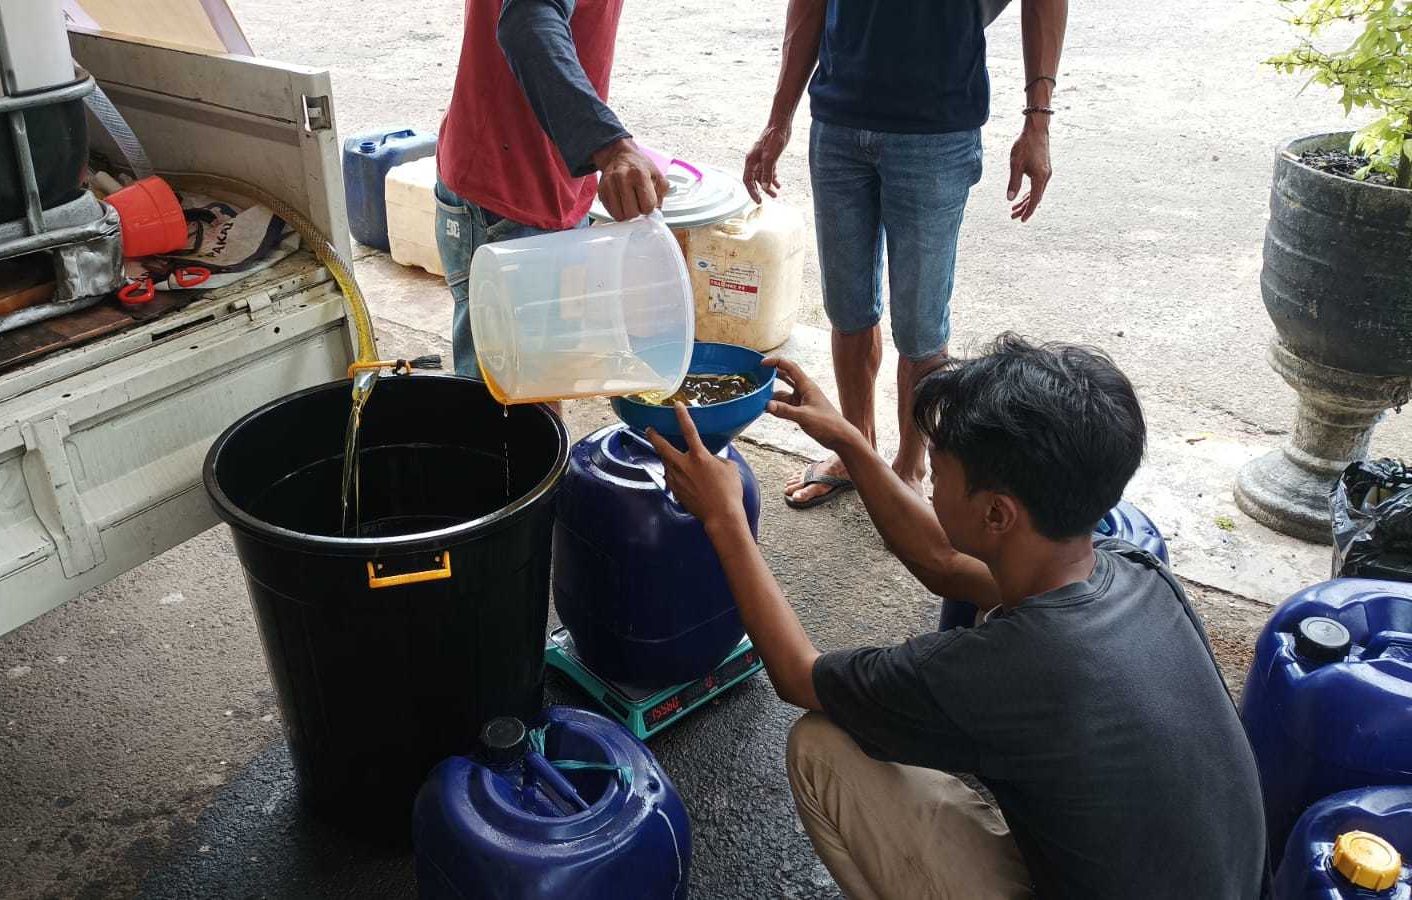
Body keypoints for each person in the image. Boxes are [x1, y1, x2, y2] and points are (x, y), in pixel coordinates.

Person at [646, 335, 1267, 899]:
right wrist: (850, 442)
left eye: (936, 474)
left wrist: (723, 518)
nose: (929, 485)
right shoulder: (1129, 568)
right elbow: (943, 560)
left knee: (820, 742)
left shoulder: (1007, 666)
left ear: (998, 515)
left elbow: (799, 677)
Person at [746, 0, 1068, 507]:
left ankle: (910, 467)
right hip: (839, 121)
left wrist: (1039, 122)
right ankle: (857, 451)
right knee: (848, 310)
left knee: (921, 332)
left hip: (936, 131)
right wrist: (778, 118)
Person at [434, 0, 669, 380]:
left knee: (544, 372)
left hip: (561, 182)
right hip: (503, 192)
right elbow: (527, 21)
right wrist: (611, 147)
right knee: (496, 395)